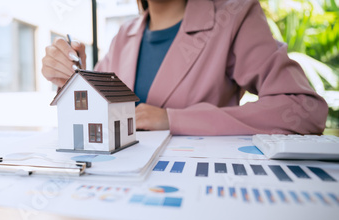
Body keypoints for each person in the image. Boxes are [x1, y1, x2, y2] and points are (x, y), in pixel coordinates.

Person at [42, 0, 329, 135]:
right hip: (123, 198)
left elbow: (304, 109)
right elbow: (101, 118)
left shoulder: (235, 16)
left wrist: (174, 119)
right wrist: (72, 76)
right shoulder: (123, 35)